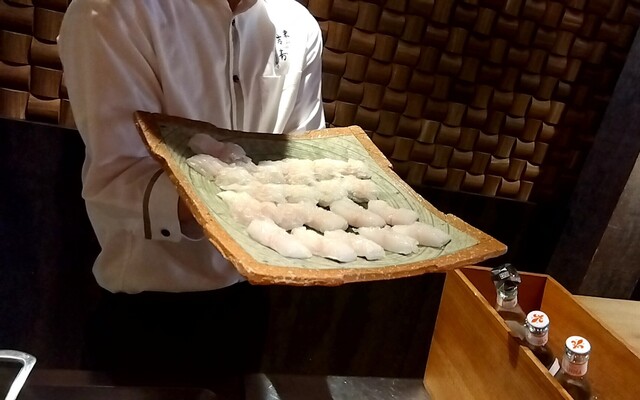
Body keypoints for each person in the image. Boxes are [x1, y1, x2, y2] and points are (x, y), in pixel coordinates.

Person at [57, 0, 325, 378]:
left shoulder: (298, 26)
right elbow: (119, 178)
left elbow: (305, 157)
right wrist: (244, 191)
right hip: (146, 318)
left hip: (250, 306)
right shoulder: (112, 10)